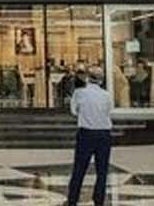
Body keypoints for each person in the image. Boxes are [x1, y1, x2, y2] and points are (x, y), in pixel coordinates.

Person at [66, 66, 113, 206]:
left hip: (86, 133)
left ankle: (73, 199)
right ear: (101, 80)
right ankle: (99, 199)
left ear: (88, 78)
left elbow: (74, 111)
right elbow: (108, 111)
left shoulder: (79, 93)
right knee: (102, 171)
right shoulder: (106, 95)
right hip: (104, 134)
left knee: (79, 169)